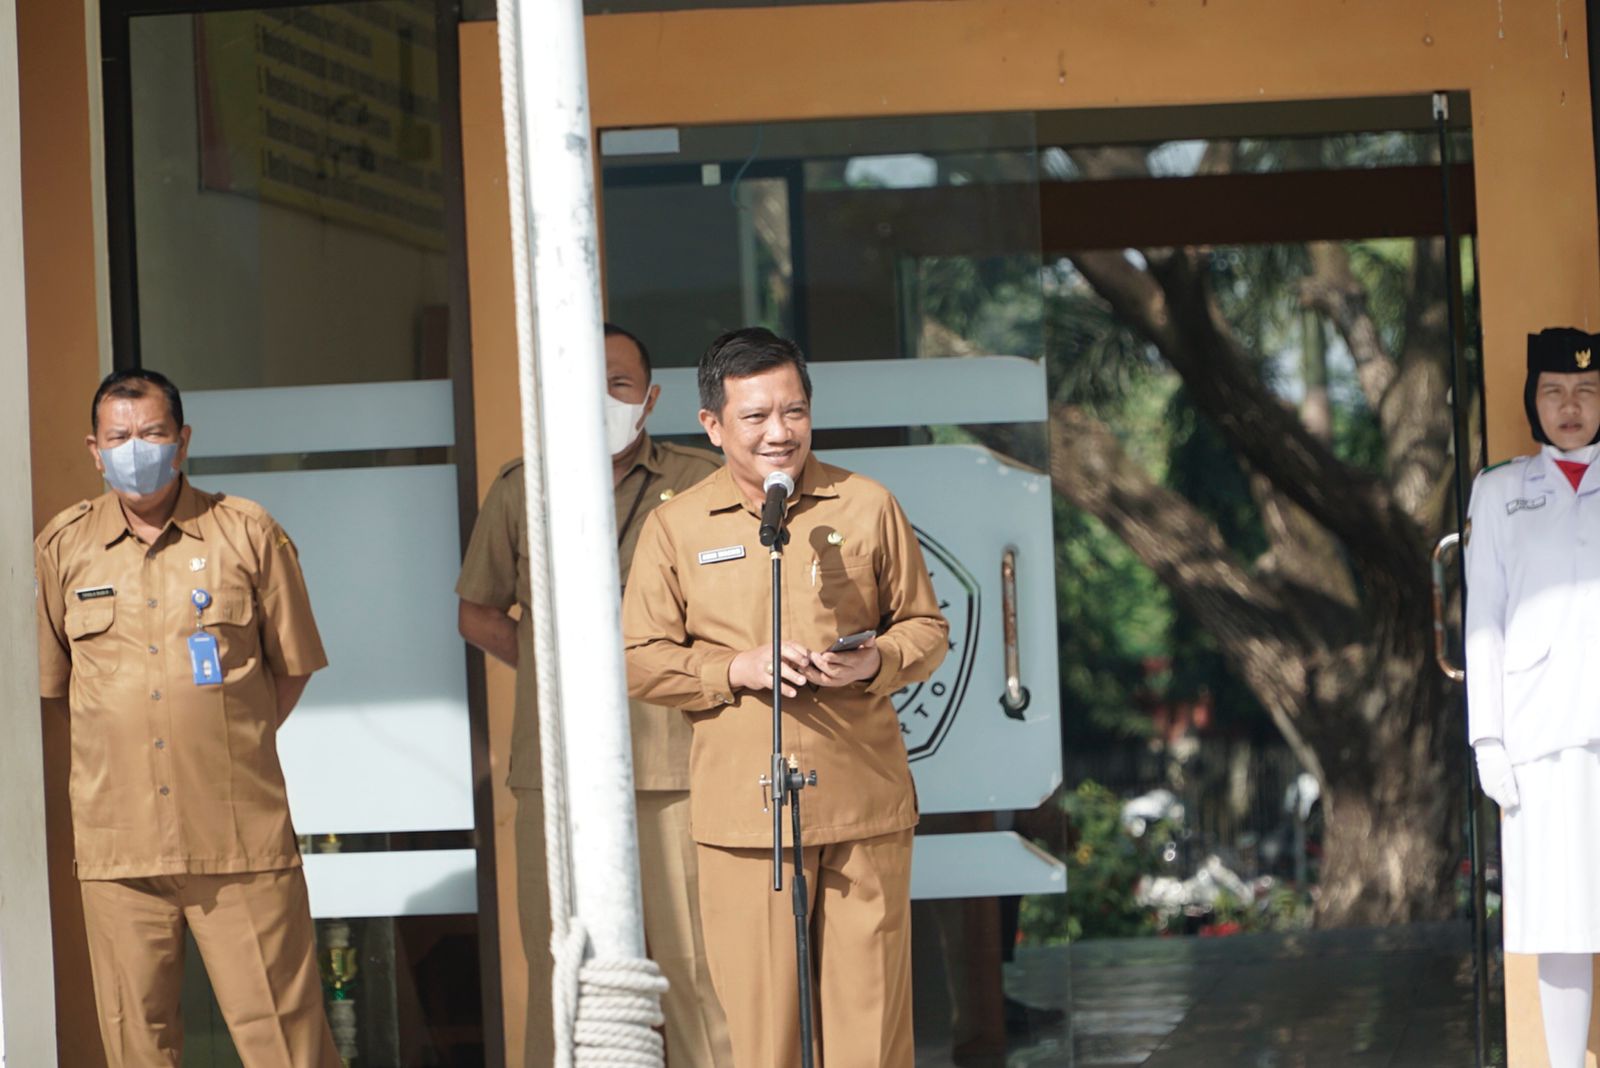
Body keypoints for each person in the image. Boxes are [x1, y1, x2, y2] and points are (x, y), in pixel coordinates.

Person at [622, 326, 950, 1067]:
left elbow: (927, 629)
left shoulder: (866, 505)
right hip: (747, 814)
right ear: (712, 425)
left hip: (863, 801)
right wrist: (736, 670)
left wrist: (875, 662)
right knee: (761, 1035)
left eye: (794, 412)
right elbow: (638, 659)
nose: (780, 433)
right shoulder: (675, 527)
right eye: (756, 417)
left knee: (871, 1032)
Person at [33, 369, 339, 1067]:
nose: (134, 449)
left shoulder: (246, 532)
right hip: (119, 847)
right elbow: (58, 690)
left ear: (183, 440)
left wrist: (227, 743)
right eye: (119, 437)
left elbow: (289, 669)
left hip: (238, 837)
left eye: (151, 433)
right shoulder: (64, 548)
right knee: (137, 1044)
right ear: (94, 447)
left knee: (286, 1046)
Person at [456, 323, 731, 1067]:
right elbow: (478, 612)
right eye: (584, 384)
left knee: (694, 970)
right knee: (566, 974)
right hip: (560, 771)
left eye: (618, 384)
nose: (602, 399)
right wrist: (564, 673)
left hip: (677, 763)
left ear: (650, 398)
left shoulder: (703, 480)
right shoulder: (522, 489)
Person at [1466, 326, 1600, 1068]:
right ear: (1533, 400)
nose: (1570, 406)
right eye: (1554, 391)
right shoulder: (1500, 492)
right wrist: (1488, 738)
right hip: (1541, 733)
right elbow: (1481, 618)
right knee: (1562, 915)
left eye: (1585, 390)